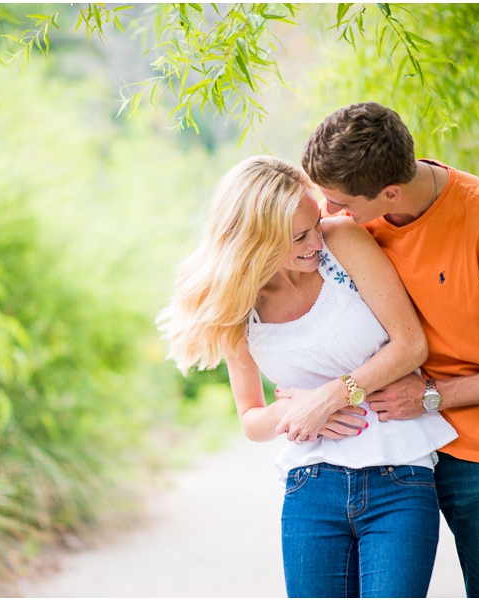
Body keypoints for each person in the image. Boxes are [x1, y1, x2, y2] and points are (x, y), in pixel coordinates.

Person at [298, 102, 479, 598]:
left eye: (340, 203)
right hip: (391, 445)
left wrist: (433, 396)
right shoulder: (354, 211)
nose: (330, 215)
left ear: (389, 192)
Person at [158, 155, 458, 598]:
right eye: (299, 236)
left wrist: (332, 398)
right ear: (255, 241)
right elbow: (252, 420)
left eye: (315, 223)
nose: (316, 241)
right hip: (311, 486)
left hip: (399, 474)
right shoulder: (238, 307)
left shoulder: (342, 243)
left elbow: (410, 345)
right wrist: (294, 409)